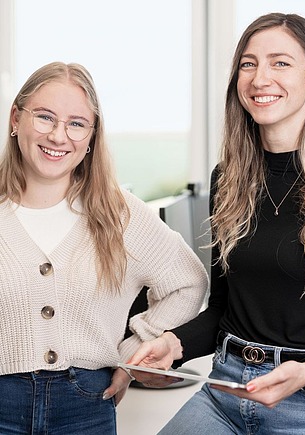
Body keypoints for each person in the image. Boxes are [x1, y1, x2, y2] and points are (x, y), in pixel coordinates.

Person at [128, 12, 305, 434]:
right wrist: (173, 344)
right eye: (248, 63)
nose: (259, 78)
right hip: (224, 389)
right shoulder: (229, 178)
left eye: (281, 63)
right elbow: (223, 308)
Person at [0, 61, 209, 434]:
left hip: (87, 407)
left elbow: (188, 282)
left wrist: (134, 353)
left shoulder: (119, 213)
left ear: (92, 136)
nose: (59, 136)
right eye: (45, 117)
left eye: (77, 123)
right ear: (16, 118)